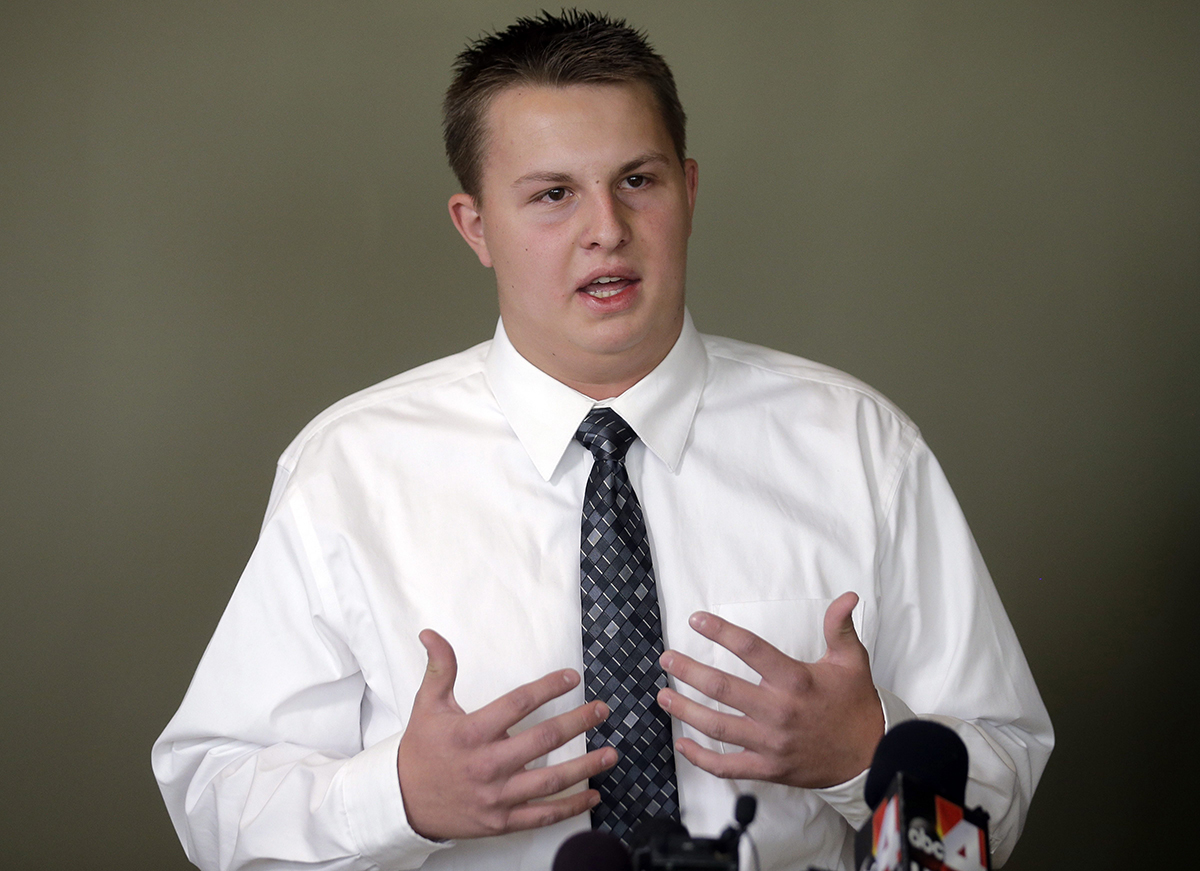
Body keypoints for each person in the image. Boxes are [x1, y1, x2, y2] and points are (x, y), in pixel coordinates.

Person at [153, 11, 1052, 871]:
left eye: (638, 180)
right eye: (552, 194)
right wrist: (396, 797)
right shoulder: (350, 469)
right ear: (476, 228)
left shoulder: (858, 445)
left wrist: (869, 751)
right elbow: (214, 798)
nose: (606, 230)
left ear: (688, 191)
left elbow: (1001, 790)